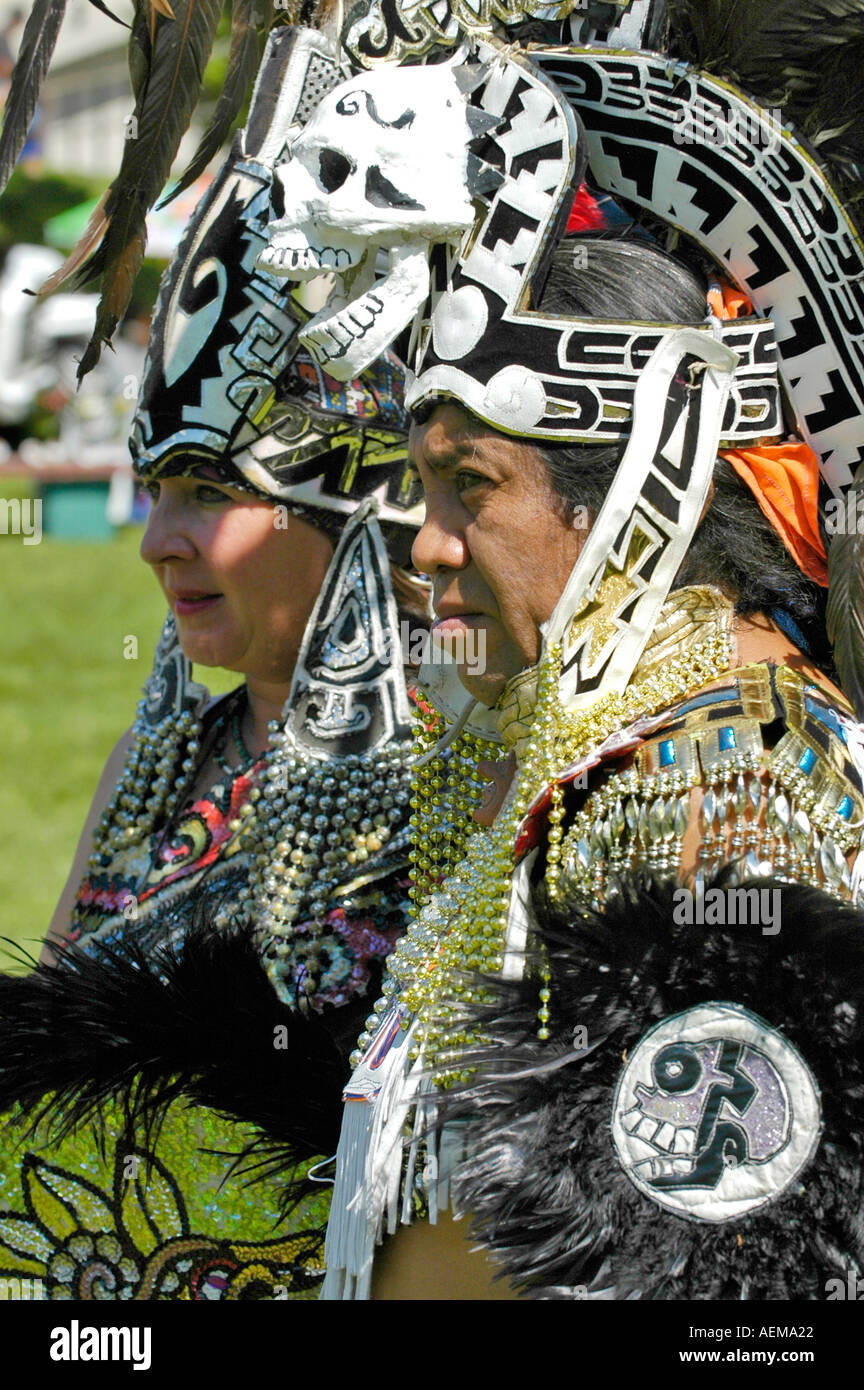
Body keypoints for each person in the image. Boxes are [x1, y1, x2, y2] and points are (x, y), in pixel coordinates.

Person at [238, 1, 864, 1300]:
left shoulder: (736, 786)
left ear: (645, 482)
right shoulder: (613, 746)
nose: (430, 545)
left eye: (471, 486)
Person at [0, 58, 426, 1302]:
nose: (153, 542)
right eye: (154, 493)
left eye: (210, 494)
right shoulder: (173, 746)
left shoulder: (452, 777)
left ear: (340, 508)